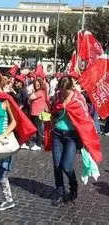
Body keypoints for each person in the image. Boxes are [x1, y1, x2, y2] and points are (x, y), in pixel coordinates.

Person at [0, 71, 36, 211]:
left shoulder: (5, 99)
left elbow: (14, 122)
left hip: (4, 143)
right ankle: (6, 200)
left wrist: (3, 135)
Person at [50, 76, 102, 206]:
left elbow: (86, 118)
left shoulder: (78, 99)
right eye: (60, 90)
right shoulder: (57, 96)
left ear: (70, 88)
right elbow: (53, 110)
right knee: (57, 165)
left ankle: (73, 187)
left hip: (71, 136)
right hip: (57, 133)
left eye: (65, 91)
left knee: (66, 166)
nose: (62, 93)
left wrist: (88, 136)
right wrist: (51, 115)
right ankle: (60, 191)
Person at [29, 78, 49, 151]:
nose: (36, 85)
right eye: (35, 84)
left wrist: (31, 95)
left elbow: (31, 97)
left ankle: (38, 144)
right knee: (38, 128)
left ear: (40, 84)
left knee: (38, 129)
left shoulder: (40, 92)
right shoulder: (39, 91)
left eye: (38, 84)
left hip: (37, 113)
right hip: (35, 112)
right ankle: (38, 142)